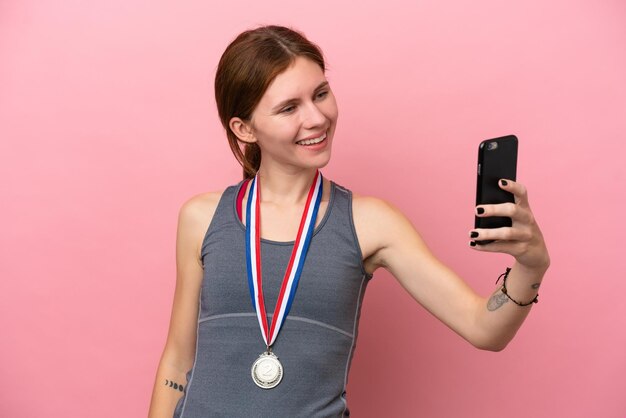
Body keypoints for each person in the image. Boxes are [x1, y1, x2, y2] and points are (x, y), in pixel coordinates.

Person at [148, 25, 550, 418]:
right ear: (244, 128)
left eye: (321, 94)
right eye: (290, 107)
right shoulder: (202, 217)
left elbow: (484, 328)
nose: (317, 117)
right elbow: (176, 362)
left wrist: (532, 265)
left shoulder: (372, 222)